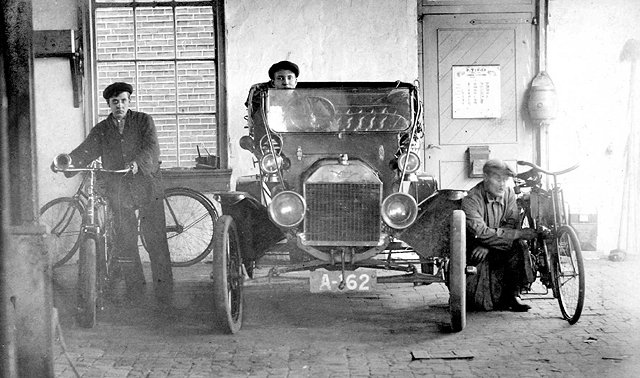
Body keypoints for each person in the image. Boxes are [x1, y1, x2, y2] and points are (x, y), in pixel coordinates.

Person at [56, 82, 173, 304]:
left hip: (147, 184)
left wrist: (137, 163)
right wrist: (69, 162)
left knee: (155, 237)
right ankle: (135, 290)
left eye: (123, 101)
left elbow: (152, 148)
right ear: (109, 104)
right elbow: (86, 150)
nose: (119, 105)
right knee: (126, 239)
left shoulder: (143, 121)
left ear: (130, 101)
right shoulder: (102, 129)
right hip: (120, 188)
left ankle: (164, 291)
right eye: (115, 102)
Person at [461, 159, 537, 312]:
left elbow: (511, 222)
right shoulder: (471, 200)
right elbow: (479, 232)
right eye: (497, 179)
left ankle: (513, 295)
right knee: (478, 303)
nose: (502, 184)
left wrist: (488, 245)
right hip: (475, 251)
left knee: (519, 246)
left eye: (505, 179)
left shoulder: (508, 193)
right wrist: (511, 235)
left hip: (493, 245)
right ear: (485, 177)